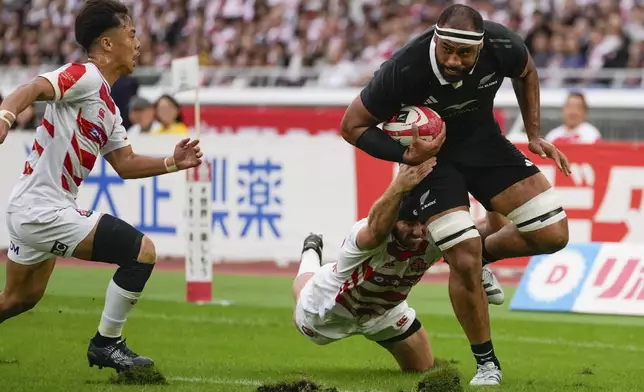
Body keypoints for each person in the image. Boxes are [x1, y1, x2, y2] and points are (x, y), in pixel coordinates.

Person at [340, 4, 571, 385]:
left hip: (485, 145)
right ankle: (487, 364)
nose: (453, 58)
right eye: (446, 48)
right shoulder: (403, 69)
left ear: (480, 47)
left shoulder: (503, 44)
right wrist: (405, 156)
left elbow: (527, 71)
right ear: (436, 39)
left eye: (464, 52)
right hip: (432, 163)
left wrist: (533, 133)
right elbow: (352, 126)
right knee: (462, 256)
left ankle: (484, 255)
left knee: (553, 235)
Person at [0, 0, 202, 372]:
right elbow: (33, 87)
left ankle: (107, 344)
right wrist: (6, 115)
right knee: (142, 251)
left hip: (31, 207)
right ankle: (107, 344)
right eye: (131, 33)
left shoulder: (108, 106)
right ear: (107, 44)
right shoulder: (86, 76)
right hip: (42, 209)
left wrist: (174, 162)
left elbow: (125, 163)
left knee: (17, 300)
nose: (138, 42)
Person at [292, 147, 504, 384]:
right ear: (394, 220)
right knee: (304, 291)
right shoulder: (369, 234)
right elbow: (374, 230)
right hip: (331, 308)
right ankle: (310, 251)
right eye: (408, 223)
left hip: (386, 311)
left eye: (421, 222)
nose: (417, 231)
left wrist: (488, 193)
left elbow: (492, 228)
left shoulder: (435, 234)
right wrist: (398, 185)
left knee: (422, 367)